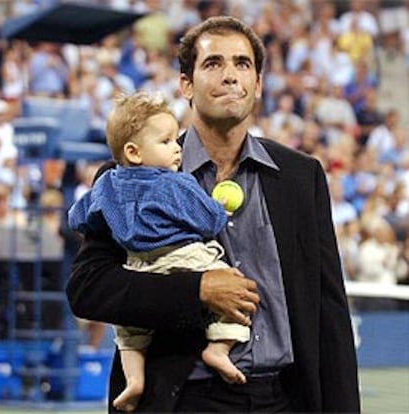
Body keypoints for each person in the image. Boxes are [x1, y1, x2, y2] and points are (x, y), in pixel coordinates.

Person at [66, 16, 360, 413]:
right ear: (185, 85)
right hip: (181, 400)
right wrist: (197, 290)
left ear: (257, 85)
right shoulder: (127, 180)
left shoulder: (300, 176)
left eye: (242, 64)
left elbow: (329, 314)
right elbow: (89, 288)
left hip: (283, 399)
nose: (230, 76)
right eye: (213, 64)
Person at [67, 92, 250, 412]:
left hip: (137, 265)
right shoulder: (173, 183)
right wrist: (219, 208)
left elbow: (79, 216)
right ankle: (219, 348)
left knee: (130, 333)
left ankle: (135, 381)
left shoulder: (107, 185)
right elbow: (208, 221)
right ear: (134, 152)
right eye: (166, 141)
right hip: (182, 259)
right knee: (231, 287)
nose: (177, 147)